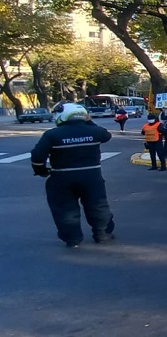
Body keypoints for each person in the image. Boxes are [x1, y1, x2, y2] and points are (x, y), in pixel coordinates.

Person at [30, 103, 115, 247]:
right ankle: (103, 234)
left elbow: (37, 156)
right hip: (91, 176)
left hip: (62, 177)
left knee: (64, 209)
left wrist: (41, 171)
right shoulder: (94, 131)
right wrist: (88, 121)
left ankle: (73, 239)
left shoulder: (52, 134)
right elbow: (107, 135)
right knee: (98, 205)